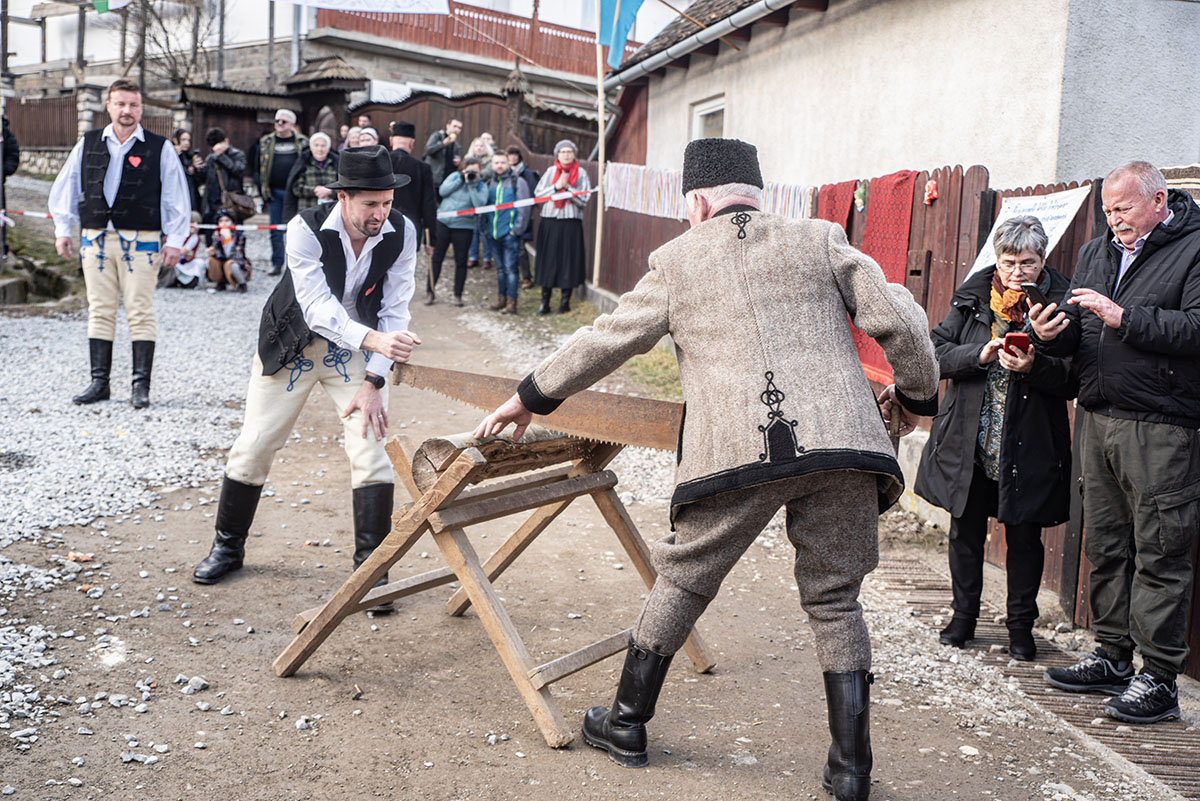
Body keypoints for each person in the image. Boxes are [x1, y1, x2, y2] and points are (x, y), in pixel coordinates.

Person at [473, 139, 939, 797]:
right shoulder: (821, 235)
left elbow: (605, 341)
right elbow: (899, 318)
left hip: (734, 448)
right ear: (760, 193)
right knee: (836, 597)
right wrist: (917, 400)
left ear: (695, 201)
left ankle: (628, 722)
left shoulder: (677, 259)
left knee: (687, 575)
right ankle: (852, 769)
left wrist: (528, 399)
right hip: (845, 443)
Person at [192, 146, 421, 616]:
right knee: (255, 443)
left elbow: (397, 307)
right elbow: (317, 308)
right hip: (292, 342)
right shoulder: (304, 229)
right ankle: (228, 548)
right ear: (342, 197)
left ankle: (371, 570)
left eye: (386, 202)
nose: (381, 213)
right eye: (370, 204)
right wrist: (375, 340)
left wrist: (376, 381)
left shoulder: (402, 232)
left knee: (372, 451)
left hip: (359, 351)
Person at [1033, 161, 1200, 725]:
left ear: (1158, 199)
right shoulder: (1095, 251)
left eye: (1123, 209)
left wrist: (1124, 317)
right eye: (1107, 210)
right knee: (1105, 542)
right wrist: (1046, 337)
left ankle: (1158, 678)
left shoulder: (1194, 245)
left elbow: (1197, 329)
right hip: (1098, 415)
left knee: (1160, 549)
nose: (1113, 221)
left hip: (1161, 424)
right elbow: (1083, 334)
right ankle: (1111, 656)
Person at [914, 216, 1076, 662]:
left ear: (1043, 260)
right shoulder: (972, 297)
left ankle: (1021, 629)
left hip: (1030, 441)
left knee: (1024, 537)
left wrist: (1035, 367)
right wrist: (978, 354)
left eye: (1028, 262)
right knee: (965, 531)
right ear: (996, 261)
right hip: (973, 438)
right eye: (1009, 262)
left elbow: (1075, 376)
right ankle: (962, 618)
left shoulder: (1062, 302)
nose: (1018, 272)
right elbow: (936, 352)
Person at [49, 78, 190, 409]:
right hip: (95, 238)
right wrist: (62, 229)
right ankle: (100, 383)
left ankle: (141, 387)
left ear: (141, 108)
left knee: (140, 310)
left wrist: (176, 240)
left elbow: (176, 198)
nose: (127, 111)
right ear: (109, 106)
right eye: (121, 104)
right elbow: (66, 186)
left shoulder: (159, 147)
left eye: (134, 105)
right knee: (100, 309)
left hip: (142, 241)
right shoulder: (88, 143)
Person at [533, 140, 591, 314]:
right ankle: (545, 302)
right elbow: (538, 195)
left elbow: (584, 199)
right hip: (550, 221)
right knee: (548, 260)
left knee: (568, 260)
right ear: (557, 154)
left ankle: (565, 302)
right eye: (562, 151)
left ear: (574, 154)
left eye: (569, 151)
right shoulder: (551, 172)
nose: (566, 154)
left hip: (570, 223)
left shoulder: (581, 173)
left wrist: (568, 189)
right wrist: (556, 187)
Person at [250, 108, 308, 275]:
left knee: (298, 229)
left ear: (292, 124)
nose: (279, 124)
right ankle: (277, 263)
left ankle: (295, 265)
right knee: (275, 229)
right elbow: (257, 167)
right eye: (277, 121)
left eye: (283, 121)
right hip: (274, 191)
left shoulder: (303, 142)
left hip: (296, 192)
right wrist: (261, 190)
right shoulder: (266, 142)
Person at [387, 121, 437, 294]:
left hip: (380, 224)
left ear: (391, 140)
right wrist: (431, 240)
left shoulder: (380, 163)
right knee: (403, 271)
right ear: (412, 143)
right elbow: (429, 205)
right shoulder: (423, 168)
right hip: (410, 228)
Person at [432, 156, 488, 307]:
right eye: (469, 170)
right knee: (437, 257)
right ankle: (430, 290)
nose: (472, 173)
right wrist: (460, 180)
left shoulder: (481, 186)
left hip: (464, 226)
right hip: (444, 222)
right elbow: (442, 191)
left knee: (461, 261)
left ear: (480, 172)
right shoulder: (454, 176)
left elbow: (479, 205)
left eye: (475, 171)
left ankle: (458, 294)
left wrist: (471, 185)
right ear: (463, 168)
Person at [482, 151, 531, 315]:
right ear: (492, 165)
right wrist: (486, 229)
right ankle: (501, 299)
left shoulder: (518, 182)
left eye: (502, 162)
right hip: (493, 234)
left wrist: (516, 230)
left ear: (508, 163)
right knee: (500, 269)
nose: (499, 166)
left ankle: (512, 303)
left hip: (510, 235)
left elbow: (524, 208)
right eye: (496, 163)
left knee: (511, 270)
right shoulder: (490, 183)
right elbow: (485, 207)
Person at [200, 127, 247, 234]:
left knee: (234, 236)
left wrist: (221, 156)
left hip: (231, 202)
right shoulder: (210, 158)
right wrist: (196, 169)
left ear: (226, 141)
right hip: (213, 202)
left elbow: (237, 170)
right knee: (212, 237)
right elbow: (204, 179)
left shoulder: (237, 155)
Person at [283, 131, 339, 220]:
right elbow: (296, 188)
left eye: (323, 146)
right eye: (316, 145)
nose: (320, 149)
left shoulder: (335, 164)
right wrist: (315, 190)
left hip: (331, 212)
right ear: (311, 147)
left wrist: (329, 191)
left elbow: (343, 188)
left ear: (328, 148)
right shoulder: (304, 163)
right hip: (307, 211)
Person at [507, 146, 539, 289]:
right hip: (506, 214)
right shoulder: (504, 173)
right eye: (510, 155)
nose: (512, 157)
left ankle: (526, 277)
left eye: (515, 155)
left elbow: (531, 195)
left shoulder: (527, 174)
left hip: (521, 214)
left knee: (520, 247)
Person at [466, 136, 496, 270]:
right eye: (476, 145)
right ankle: (472, 256)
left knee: (484, 230)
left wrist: (474, 173)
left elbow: (486, 174)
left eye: (481, 146)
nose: (479, 148)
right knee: (473, 230)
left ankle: (487, 257)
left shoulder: (490, 161)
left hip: (486, 197)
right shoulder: (467, 160)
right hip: (470, 198)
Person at [206, 210, 252, 292]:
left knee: (231, 264)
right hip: (223, 261)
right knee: (211, 261)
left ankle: (242, 284)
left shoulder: (239, 235)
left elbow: (236, 255)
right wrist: (213, 251)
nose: (224, 223)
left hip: (237, 263)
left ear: (232, 222)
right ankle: (220, 282)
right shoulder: (216, 235)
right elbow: (219, 254)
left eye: (227, 221)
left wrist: (228, 240)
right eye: (221, 221)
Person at [159, 214, 204, 289]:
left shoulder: (195, 237)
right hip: (173, 260)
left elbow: (184, 250)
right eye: (192, 222)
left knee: (199, 263)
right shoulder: (175, 234)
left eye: (197, 223)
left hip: (186, 263)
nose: (195, 225)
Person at [172, 128, 204, 215]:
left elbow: (198, 181)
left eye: (188, 140)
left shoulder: (190, 156)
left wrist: (196, 169)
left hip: (191, 195)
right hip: (176, 196)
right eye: (183, 140)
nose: (186, 143)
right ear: (175, 140)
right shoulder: (171, 154)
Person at [423, 118, 462, 188]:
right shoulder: (437, 136)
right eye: (454, 126)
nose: (456, 129)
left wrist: (458, 163)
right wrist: (443, 144)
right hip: (433, 178)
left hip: (447, 181)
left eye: (459, 128)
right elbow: (428, 150)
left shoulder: (457, 145)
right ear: (448, 126)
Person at [2, 116, 20, 254]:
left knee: (1, 219)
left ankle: (1, 249)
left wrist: (3, 171)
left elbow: (13, 155)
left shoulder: (4, 133)